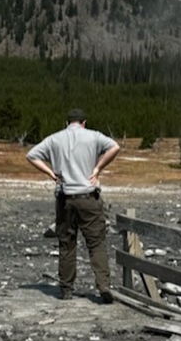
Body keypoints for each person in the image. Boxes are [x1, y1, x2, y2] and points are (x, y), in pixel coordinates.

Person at [27, 108, 121, 302]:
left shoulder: (54, 139)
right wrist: (97, 169)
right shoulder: (93, 136)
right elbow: (114, 147)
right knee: (96, 243)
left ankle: (66, 289)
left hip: (65, 197)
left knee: (67, 244)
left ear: (67, 123)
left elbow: (31, 155)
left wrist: (51, 173)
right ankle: (103, 286)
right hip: (88, 195)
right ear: (84, 122)